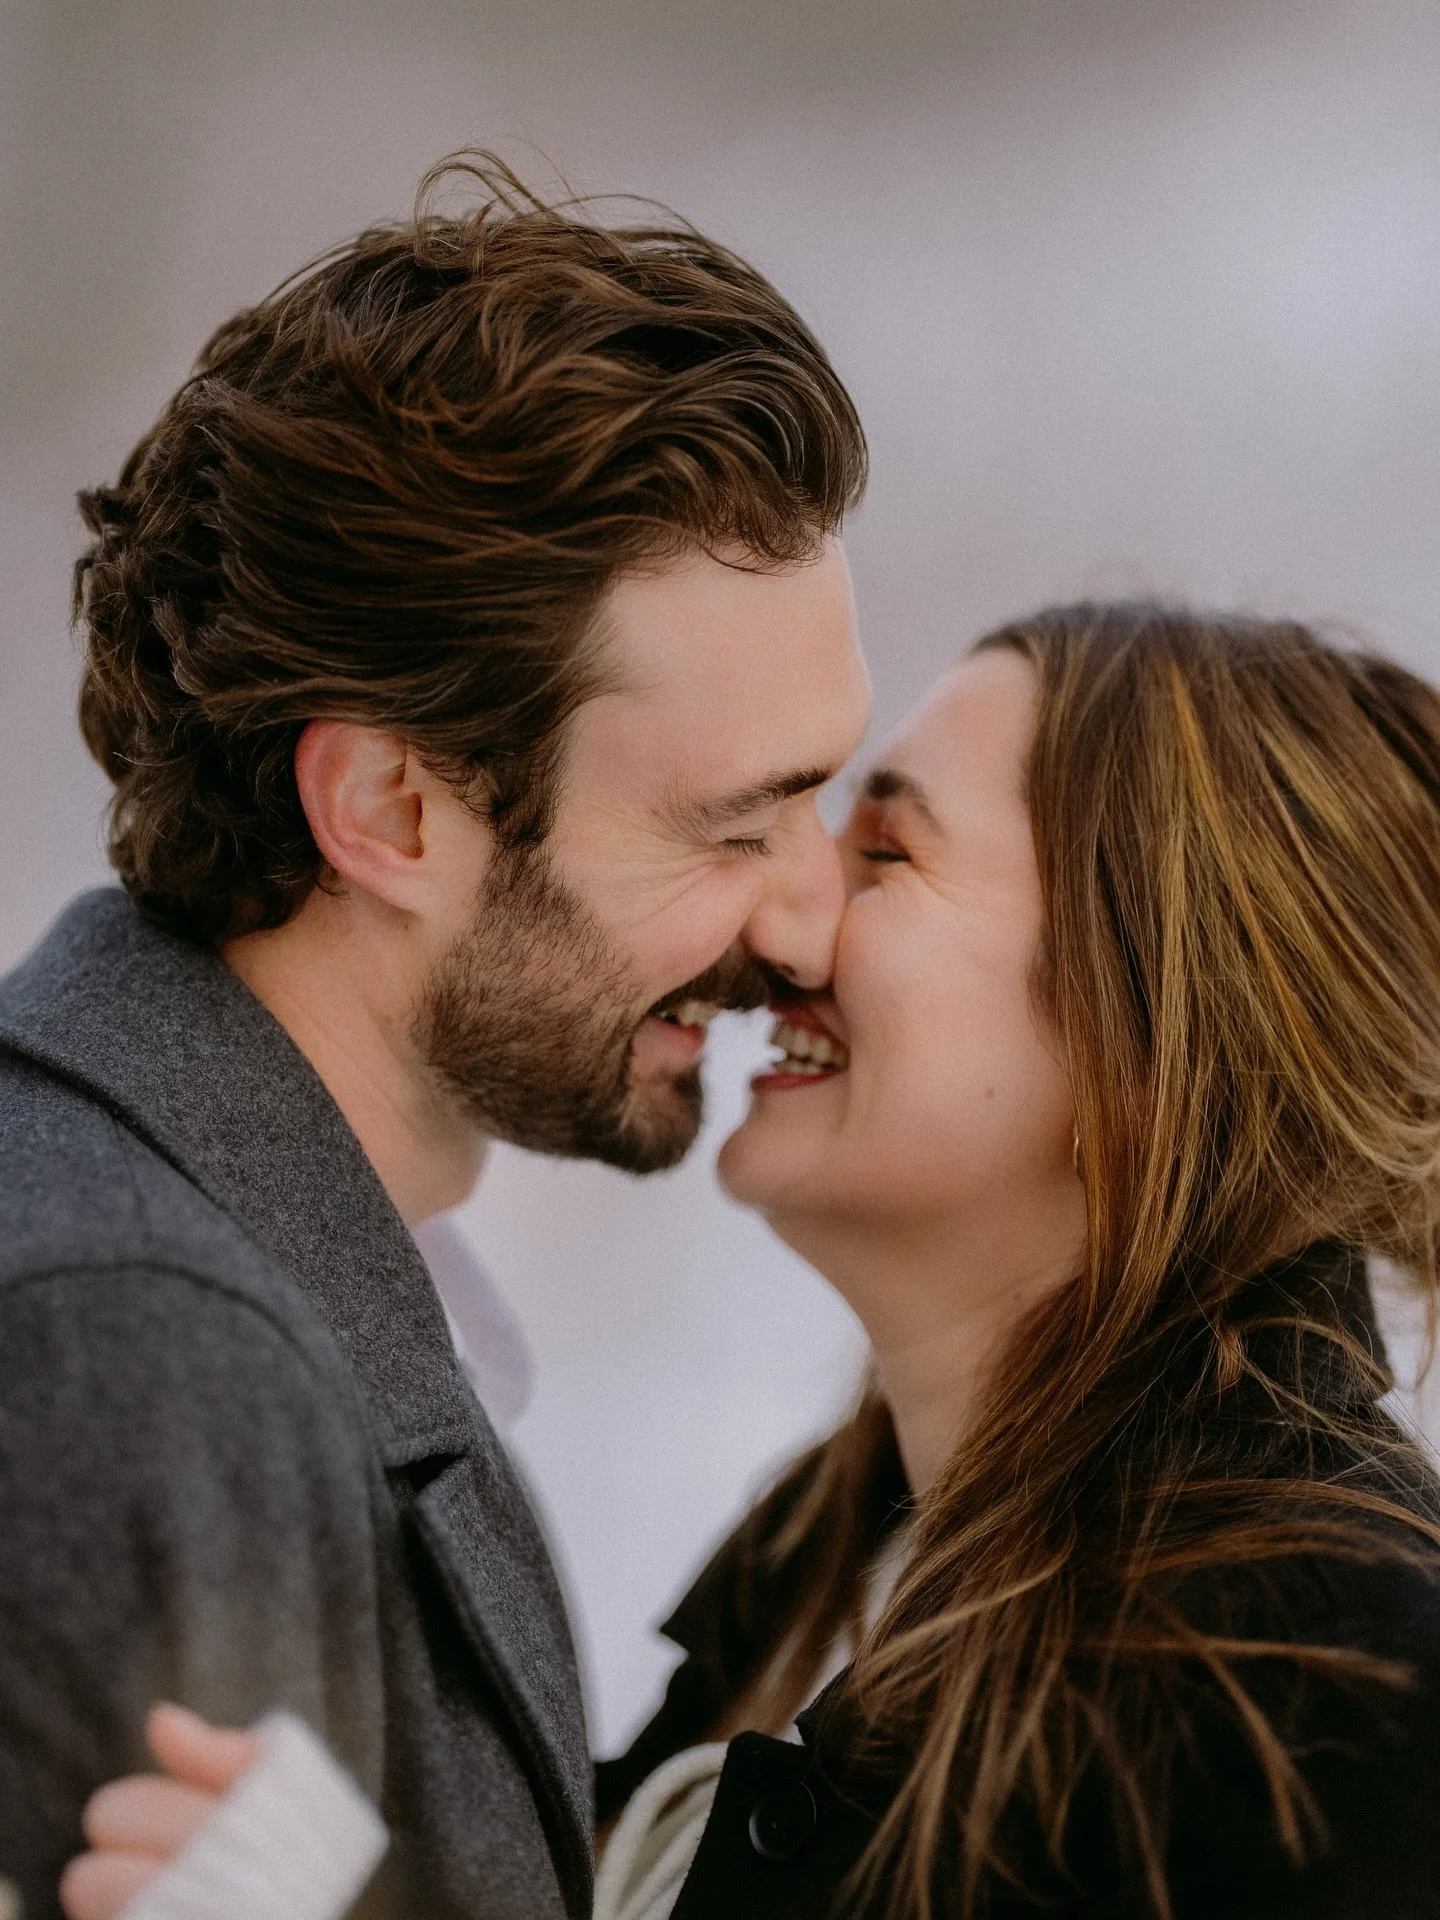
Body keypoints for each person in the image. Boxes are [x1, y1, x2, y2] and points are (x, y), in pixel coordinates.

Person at [72, 603, 1440, 1919]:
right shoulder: (831, 1556)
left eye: (885, 852)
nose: (784, 924)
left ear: (1157, 1030)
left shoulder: (1341, 1693)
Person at [0, 151, 870, 1920]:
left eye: (827, 801)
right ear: (392, 812)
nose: (810, 917)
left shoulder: (233, 1271)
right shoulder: (139, 1353)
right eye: (732, 825)